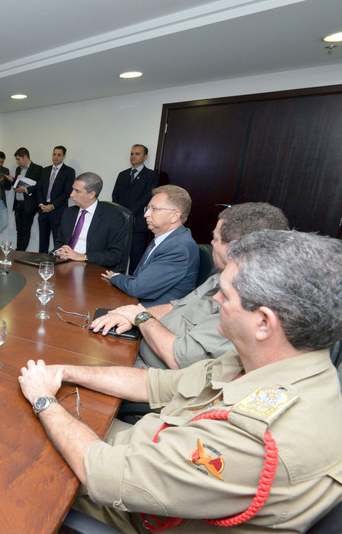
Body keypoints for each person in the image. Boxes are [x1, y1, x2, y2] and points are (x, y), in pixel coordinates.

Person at [19, 229, 342, 533]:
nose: (215, 300)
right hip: (142, 456)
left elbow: (105, 475)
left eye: (227, 295)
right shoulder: (269, 362)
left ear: (263, 322)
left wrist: (44, 401)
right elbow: (157, 383)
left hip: (130, 510)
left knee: (16, 462)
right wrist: (64, 372)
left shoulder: (257, 436)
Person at [92, 202, 289, 370]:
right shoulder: (219, 276)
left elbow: (178, 359)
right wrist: (131, 316)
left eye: (216, 239)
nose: (211, 243)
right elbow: (176, 306)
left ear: (234, 249)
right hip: (142, 346)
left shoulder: (245, 302)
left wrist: (142, 318)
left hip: (154, 372)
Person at [101, 185, 199, 306]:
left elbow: (137, 288)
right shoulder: (165, 238)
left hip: (156, 311)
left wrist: (114, 277)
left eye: (154, 209)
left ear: (174, 216)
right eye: (147, 208)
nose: (146, 214)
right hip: (139, 301)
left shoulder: (177, 247)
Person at [53, 172, 127, 271]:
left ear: (91, 194)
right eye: (72, 189)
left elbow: (115, 255)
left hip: (92, 268)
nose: (71, 194)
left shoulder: (112, 217)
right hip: (64, 267)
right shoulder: (68, 212)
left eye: (77, 191)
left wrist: (82, 257)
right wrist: (58, 251)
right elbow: (59, 242)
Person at [112, 144, 160, 273]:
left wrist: (127, 213)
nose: (133, 156)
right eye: (132, 153)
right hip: (120, 223)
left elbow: (147, 198)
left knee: (136, 258)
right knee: (117, 255)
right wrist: (120, 213)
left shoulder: (151, 176)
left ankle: (133, 282)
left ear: (145, 157)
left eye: (137, 154)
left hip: (138, 223)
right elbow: (115, 195)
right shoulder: (122, 174)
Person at [37, 145, 76, 253]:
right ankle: (41, 261)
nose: (56, 157)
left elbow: (67, 192)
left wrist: (52, 206)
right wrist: (41, 204)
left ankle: (57, 263)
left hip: (58, 211)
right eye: (54, 154)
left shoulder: (69, 171)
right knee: (42, 242)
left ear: (64, 157)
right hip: (43, 210)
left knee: (58, 242)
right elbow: (39, 189)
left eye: (59, 155)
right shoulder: (45, 170)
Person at [12, 147, 43, 251]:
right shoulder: (18, 169)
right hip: (18, 203)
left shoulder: (37, 168)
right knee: (18, 229)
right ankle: (18, 250)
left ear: (25, 157)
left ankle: (21, 252)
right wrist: (12, 182)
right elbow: (17, 184)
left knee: (25, 230)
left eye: (18, 159)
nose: (17, 162)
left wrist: (25, 189)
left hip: (29, 205)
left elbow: (40, 186)